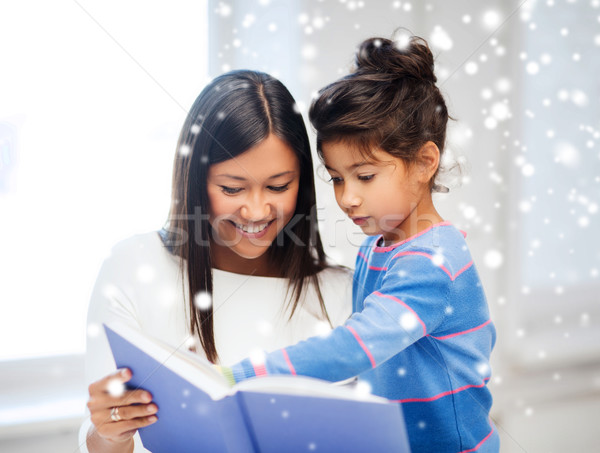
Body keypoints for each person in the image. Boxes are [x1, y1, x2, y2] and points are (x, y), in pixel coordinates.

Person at [222, 36, 499, 452]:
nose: (347, 197)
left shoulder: (434, 262)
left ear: (425, 162)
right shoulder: (378, 248)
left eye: (364, 176)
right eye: (336, 177)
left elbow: (355, 348)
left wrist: (242, 376)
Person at [80, 70, 352, 453]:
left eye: (278, 186)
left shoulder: (342, 293)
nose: (257, 209)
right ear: (195, 182)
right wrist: (110, 433)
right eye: (232, 188)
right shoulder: (133, 268)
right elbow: (105, 439)